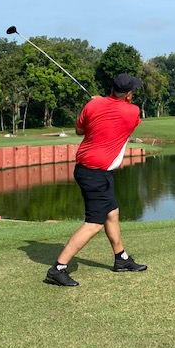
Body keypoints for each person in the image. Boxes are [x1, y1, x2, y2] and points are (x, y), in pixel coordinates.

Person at [44, 74, 147, 287]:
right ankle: (58, 268)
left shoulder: (93, 105)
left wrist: (98, 105)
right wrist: (102, 105)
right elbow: (129, 121)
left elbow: (79, 130)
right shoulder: (132, 111)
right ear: (129, 95)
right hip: (94, 173)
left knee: (112, 213)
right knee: (94, 224)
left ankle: (121, 259)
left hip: (91, 170)